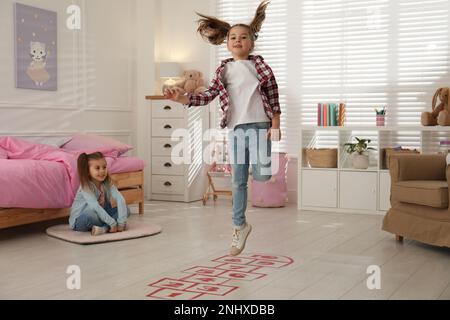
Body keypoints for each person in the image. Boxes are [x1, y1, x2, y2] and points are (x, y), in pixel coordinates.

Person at [164, 0, 281, 256]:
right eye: (232, 37)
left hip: (261, 127)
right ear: (226, 43)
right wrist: (182, 98)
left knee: (262, 176)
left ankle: (253, 174)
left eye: (243, 37)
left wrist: (276, 125)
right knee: (238, 181)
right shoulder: (224, 69)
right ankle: (240, 227)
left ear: (252, 41)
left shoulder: (261, 67)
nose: (237, 40)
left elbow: (273, 98)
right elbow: (208, 95)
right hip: (237, 129)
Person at [69, 152, 130, 236]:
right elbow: (95, 207)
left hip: (100, 215)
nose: (102, 171)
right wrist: (112, 223)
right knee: (90, 215)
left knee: (126, 209)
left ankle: (104, 229)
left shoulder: (107, 183)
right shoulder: (85, 187)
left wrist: (121, 223)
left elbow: (120, 199)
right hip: (81, 220)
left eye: (104, 167)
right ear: (87, 171)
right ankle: (109, 226)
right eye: (97, 168)